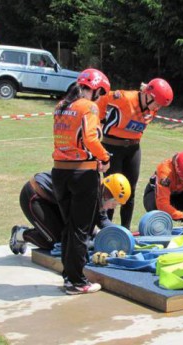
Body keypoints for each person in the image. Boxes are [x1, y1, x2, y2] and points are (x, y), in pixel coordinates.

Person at [52, 68, 111, 295]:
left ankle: (69, 275)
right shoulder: (88, 107)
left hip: (60, 172)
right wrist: (104, 157)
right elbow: (91, 138)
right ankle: (77, 281)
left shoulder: (61, 106)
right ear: (94, 89)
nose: (100, 97)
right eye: (101, 92)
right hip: (82, 174)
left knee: (69, 226)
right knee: (80, 229)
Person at [97, 78, 173, 230]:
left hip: (133, 149)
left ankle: (125, 229)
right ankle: (106, 229)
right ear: (148, 95)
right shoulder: (124, 98)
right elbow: (102, 98)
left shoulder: (153, 107)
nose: (157, 107)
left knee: (129, 191)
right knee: (112, 190)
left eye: (160, 105)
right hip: (112, 147)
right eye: (157, 103)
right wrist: (100, 120)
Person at [9, 172, 131, 254]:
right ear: (108, 195)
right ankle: (20, 234)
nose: (114, 206)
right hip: (34, 196)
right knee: (57, 242)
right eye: (115, 203)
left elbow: (103, 221)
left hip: (54, 200)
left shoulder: (99, 191)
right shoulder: (89, 193)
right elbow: (77, 229)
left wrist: (123, 235)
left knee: (79, 234)